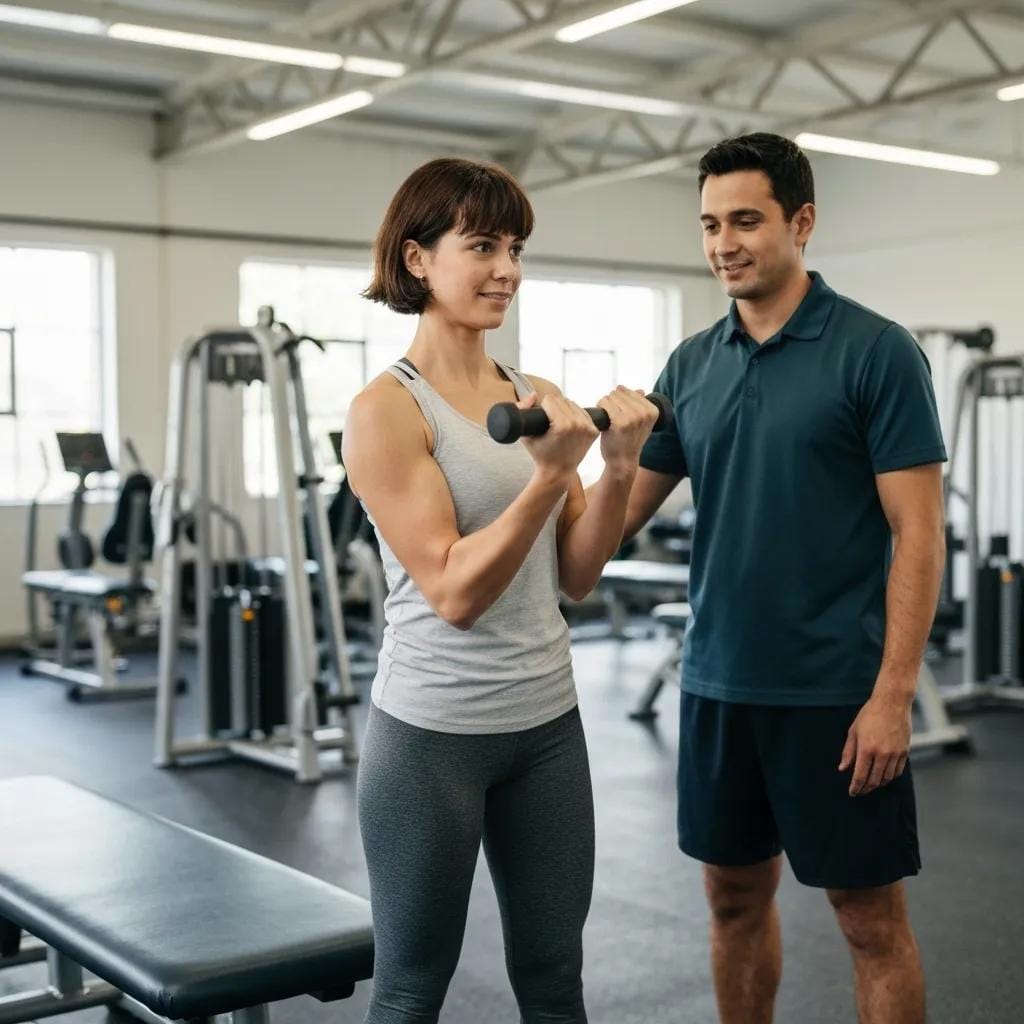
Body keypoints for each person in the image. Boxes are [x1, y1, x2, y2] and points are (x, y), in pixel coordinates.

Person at [621, 133, 946, 1024]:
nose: (724, 242)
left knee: (869, 922)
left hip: (835, 694)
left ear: (801, 222)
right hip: (719, 685)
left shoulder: (876, 352)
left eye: (746, 221)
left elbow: (918, 534)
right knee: (731, 899)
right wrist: (569, 462)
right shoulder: (690, 365)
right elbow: (616, 514)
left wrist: (894, 694)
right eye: (710, 224)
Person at [343, 156, 659, 1024]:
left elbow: (579, 576)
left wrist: (619, 464)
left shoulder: (536, 397)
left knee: (556, 982)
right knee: (411, 989)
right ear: (417, 259)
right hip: (432, 739)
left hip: (548, 732)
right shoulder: (386, 411)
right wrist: (549, 478)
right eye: (482, 245)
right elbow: (452, 591)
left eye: (515, 248)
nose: (507, 270)